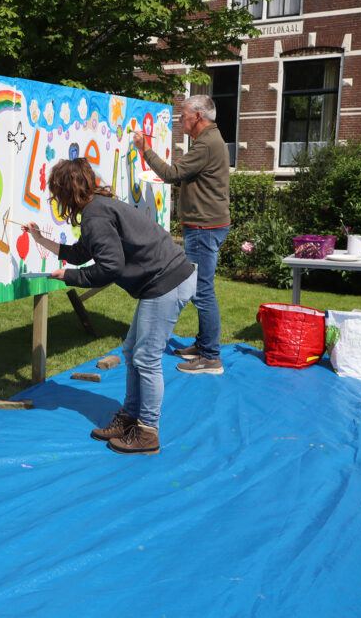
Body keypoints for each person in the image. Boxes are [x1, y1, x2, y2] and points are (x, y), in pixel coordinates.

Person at [24, 159, 196, 455]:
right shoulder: (98, 208)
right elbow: (80, 253)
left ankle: (148, 433)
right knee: (132, 353)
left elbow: (110, 268)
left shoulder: (95, 215)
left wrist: (70, 277)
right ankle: (129, 420)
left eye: (56, 192)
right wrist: (41, 240)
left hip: (166, 281)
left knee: (146, 358)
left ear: (67, 191)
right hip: (162, 280)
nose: (56, 199)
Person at [132, 94, 230, 375]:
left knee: (201, 291)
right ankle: (204, 345)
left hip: (204, 227)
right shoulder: (210, 140)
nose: (180, 120)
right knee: (202, 289)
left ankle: (211, 357)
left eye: (183, 115)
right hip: (206, 225)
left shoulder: (207, 144)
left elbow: (172, 173)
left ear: (198, 117)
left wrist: (145, 149)